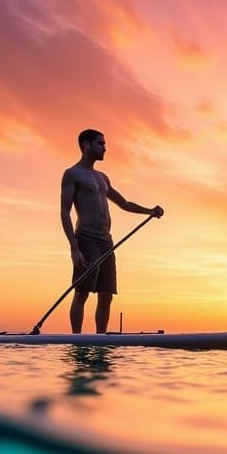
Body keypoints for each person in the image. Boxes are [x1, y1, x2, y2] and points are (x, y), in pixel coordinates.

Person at [60, 129, 164, 334]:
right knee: (82, 292)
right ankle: (77, 339)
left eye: (104, 144)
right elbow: (64, 212)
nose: (104, 148)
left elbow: (124, 203)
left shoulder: (103, 178)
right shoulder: (72, 174)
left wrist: (149, 211)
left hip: (107, 242)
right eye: (100, 144)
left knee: (106, 293)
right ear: (86, 144)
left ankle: (100, 339)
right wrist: (74, 247)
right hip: (86, 239)